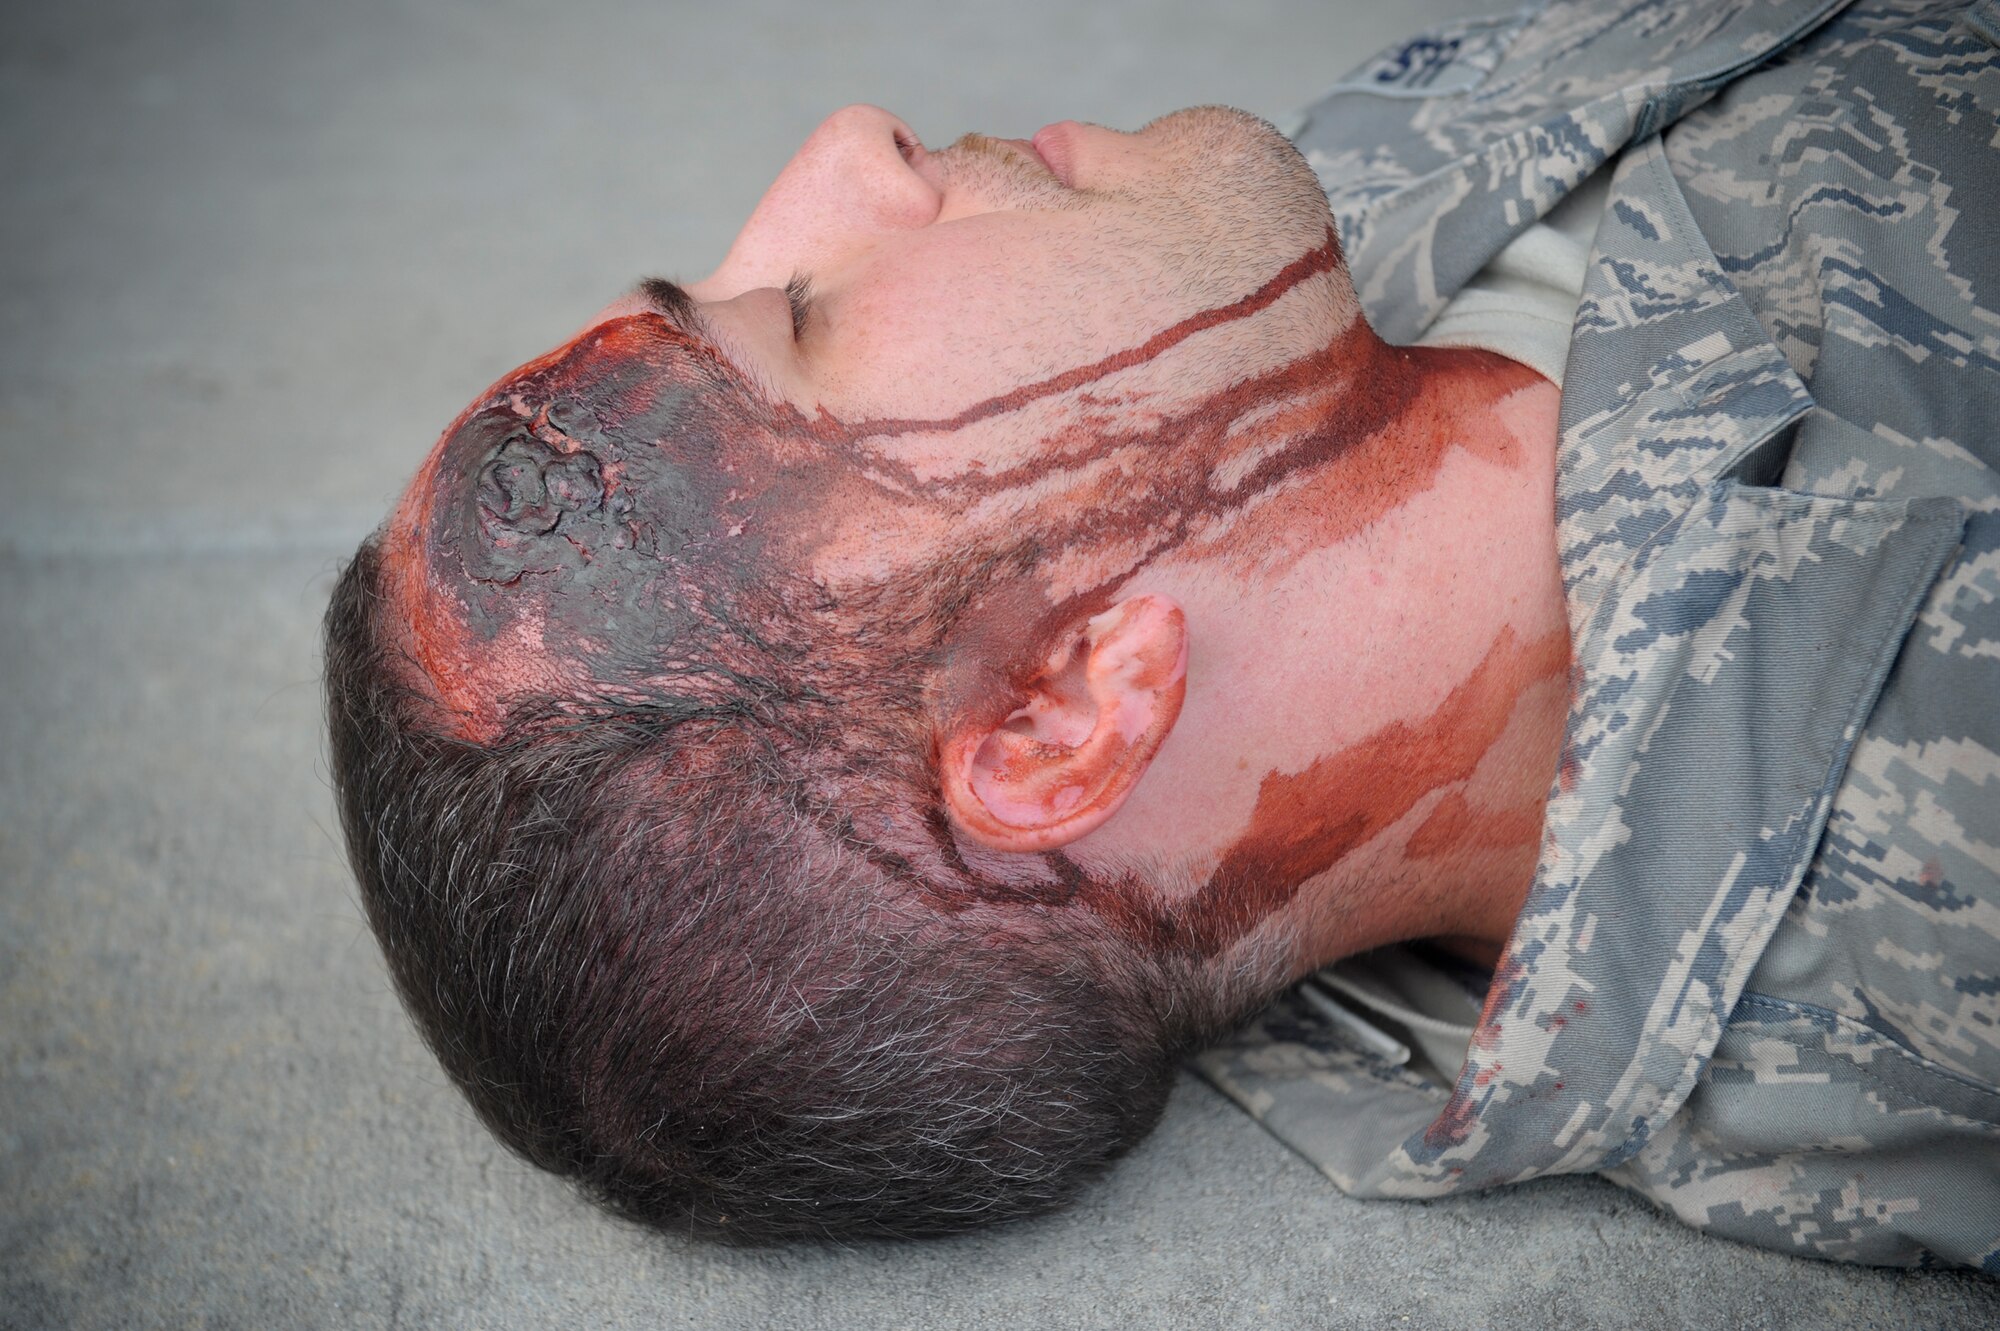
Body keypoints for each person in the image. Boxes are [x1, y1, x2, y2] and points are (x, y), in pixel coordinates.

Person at [323, 0, 2000, 1267]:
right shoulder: (1947, 868)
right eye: (801, 320)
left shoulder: (1248, 253)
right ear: (1064, 718)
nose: (849, 143)